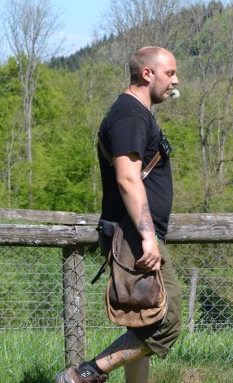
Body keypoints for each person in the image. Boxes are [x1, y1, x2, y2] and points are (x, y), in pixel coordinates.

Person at [56, 46, 182, 383]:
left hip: (132, 233)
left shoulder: (135, 113)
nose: (175, 80)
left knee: (141, 321)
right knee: (166, 320)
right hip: (134, 236)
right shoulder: (130, 115)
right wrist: (147, 237)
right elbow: (128, 178)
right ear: (147, 74)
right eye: (169, 73)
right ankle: (84, 375)